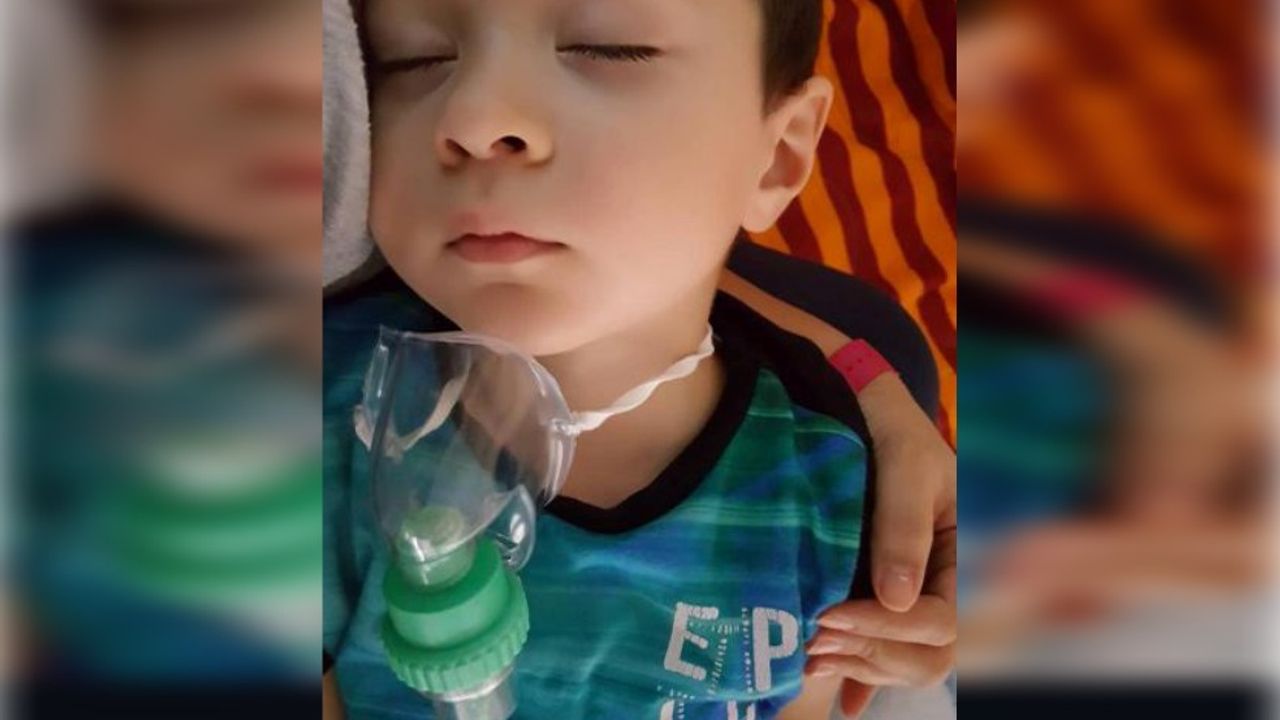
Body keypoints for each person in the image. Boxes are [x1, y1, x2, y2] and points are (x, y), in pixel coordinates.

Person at [322, 0, 954, 717]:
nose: (472, 117)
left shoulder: (832, 488)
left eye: (608, 47)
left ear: (777, 156)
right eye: (414, 58)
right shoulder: (314, 411)